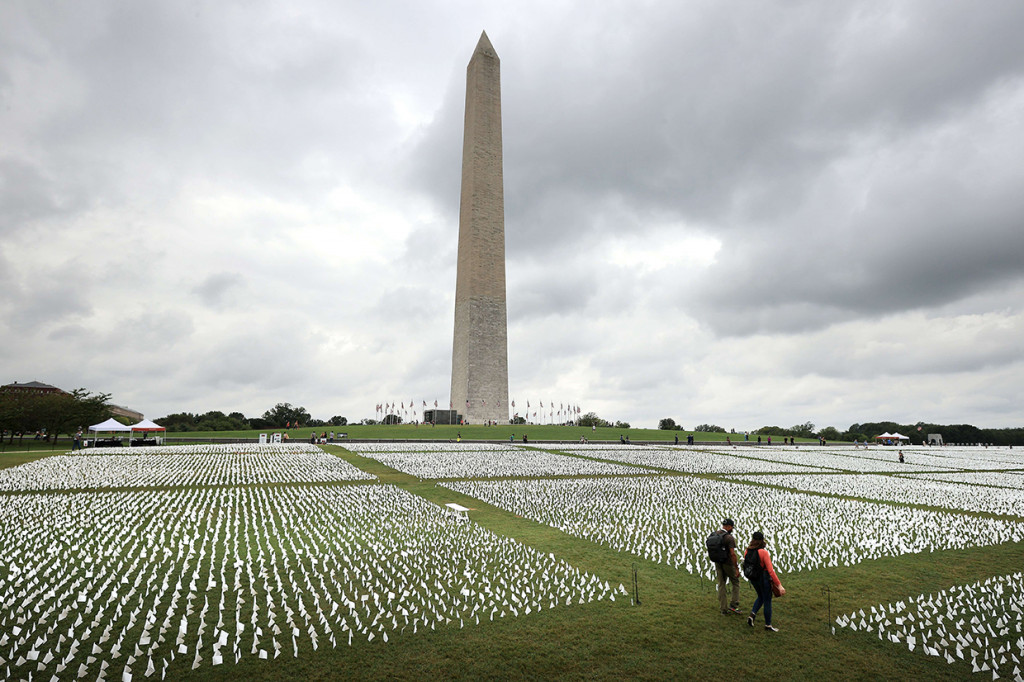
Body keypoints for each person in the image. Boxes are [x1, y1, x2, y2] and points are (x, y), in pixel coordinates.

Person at [745, 531, 784, 631]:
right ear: (762, 540)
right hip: (763, 578)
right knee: (767, 600)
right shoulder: (763, 552)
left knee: (760, 596)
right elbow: (770, 570)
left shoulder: (747, 551)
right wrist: (779, 585)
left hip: (753, 578)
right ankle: (768, 625)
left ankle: (752, 615)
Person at [710, 518, 741, 615]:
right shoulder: (729, 538)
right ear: (729, 527)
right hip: (727, 563)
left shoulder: (714, 534)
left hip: (717, 562)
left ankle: (723, 609)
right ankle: (733, 604)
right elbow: (732, 554)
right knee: (735, 582)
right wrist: (736, 568)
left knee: (721, 584)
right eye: (732, 527)